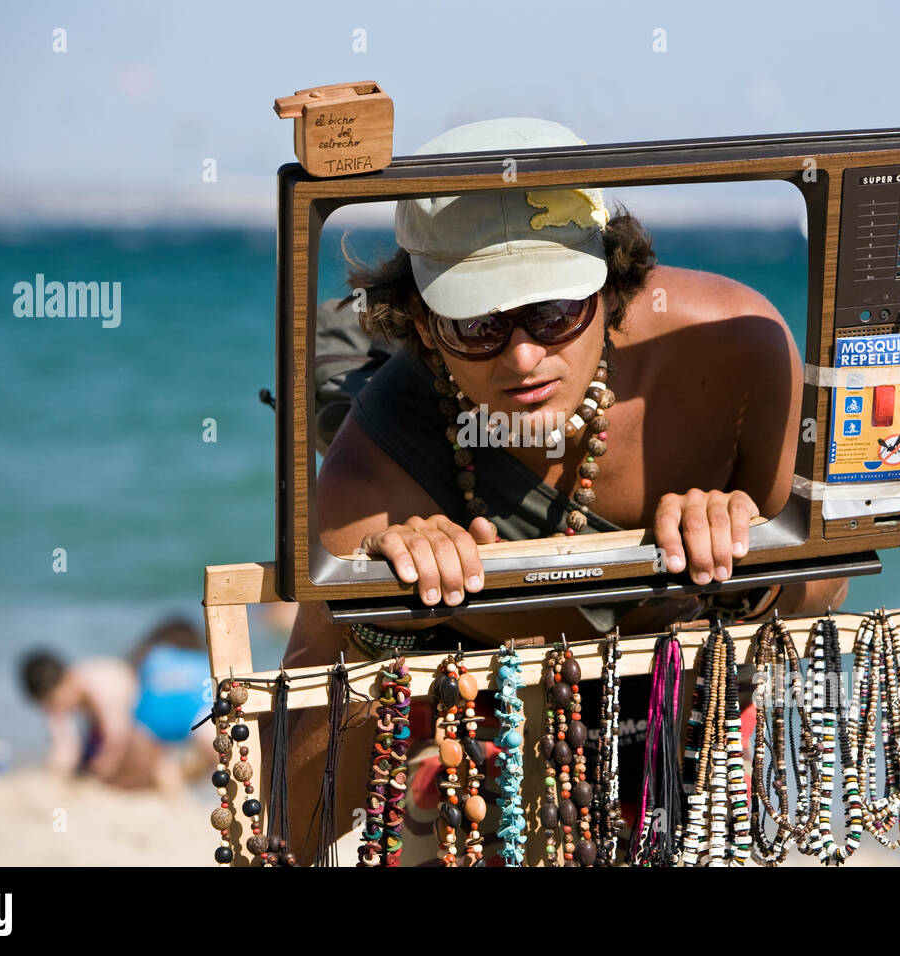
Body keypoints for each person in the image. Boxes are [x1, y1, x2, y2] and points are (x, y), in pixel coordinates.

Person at [277, 118, 848, 857]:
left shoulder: (733, 349)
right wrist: (380, 619)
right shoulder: (374, 470)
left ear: (612, 284)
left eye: (553, 313)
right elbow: (299, 826)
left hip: (684, 739)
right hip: (481, 767)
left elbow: (826, 580)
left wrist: (749, 564)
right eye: (476, 323)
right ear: (421, 323)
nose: (521, 356)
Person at [20, 617, 215, 790]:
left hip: (140, 717)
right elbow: (64, 746)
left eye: (55, 701)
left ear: (67, 679)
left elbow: (116, 734)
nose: (56, 707)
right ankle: (177, 776)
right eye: (48, 705)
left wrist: (98, 772)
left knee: (148, 768)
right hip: (132, 723)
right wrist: (56, 774)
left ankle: (177, 781)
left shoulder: (97, 684)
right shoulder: (67, 692)